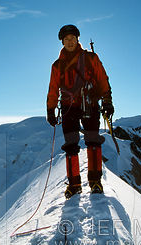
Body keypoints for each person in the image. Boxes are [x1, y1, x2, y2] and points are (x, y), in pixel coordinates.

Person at [46, 24, 114, 198]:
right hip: (69, 108)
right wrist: (50, 110)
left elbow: (102, 79)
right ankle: (74, 185)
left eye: (72, 39)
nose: (70, 42)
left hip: (90, 104)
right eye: (66, 39)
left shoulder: (91, 58)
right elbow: (53, 88)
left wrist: (107, 100)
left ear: (78, 40)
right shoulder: (57, 65)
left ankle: (95, 182)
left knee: (93, 141)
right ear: (62, 42)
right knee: (71, 146)